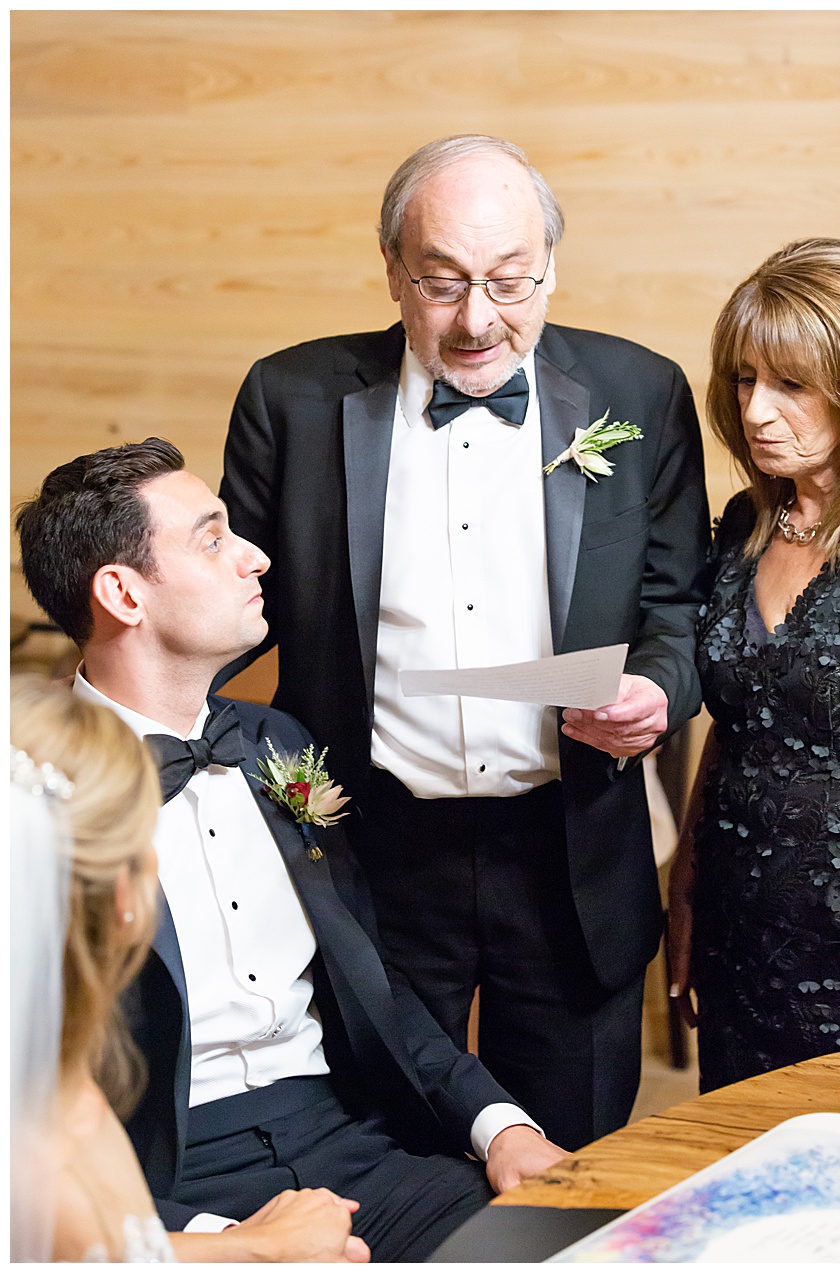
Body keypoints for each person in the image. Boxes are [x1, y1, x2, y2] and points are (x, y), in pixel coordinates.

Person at [217, 135, 711, 1148]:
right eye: (442, 284)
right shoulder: (291, 399)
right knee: (389, 1146)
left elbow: (676, 610)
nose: (479, 319)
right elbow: (226, 610)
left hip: (569, 844)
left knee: (575, 1163)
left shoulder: (640, 391)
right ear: (393, 273)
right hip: (375, 842)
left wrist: (659, 689)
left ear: (551, 268)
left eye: (509, 281)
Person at [15, 439, 571, 1261]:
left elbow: (375, 983)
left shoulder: (279, 745)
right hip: (161, 1181)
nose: (255, 556)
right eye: (212, 539)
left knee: (571, 1245)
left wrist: (499, 1127)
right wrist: (225, 1243)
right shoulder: (34, 795)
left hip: (350, 1143)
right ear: (123, 592)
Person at [12, 678, 376, 1263]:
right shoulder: (42, 1140)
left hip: (339, 1133)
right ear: (124, 893)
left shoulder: (66, 1092)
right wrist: (262, 1248)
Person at [664, 239, 840, 1091]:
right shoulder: (743, 521)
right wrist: (688, 887)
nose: (757, 411)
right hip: (737, 915)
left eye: (791, 384)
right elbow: (733, 728)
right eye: (743, 380)